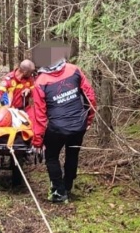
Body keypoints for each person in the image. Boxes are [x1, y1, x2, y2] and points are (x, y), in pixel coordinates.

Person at [31, 55, 96, 204]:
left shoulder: (40, 82)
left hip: (57, 128)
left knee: (51, 157)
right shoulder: (74, 70)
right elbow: (90, 97)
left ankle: (59, 192)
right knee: (72, 154)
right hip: (79, 124)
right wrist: (88, 119)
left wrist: (38, 140)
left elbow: (39, 115)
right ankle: (67, 186)